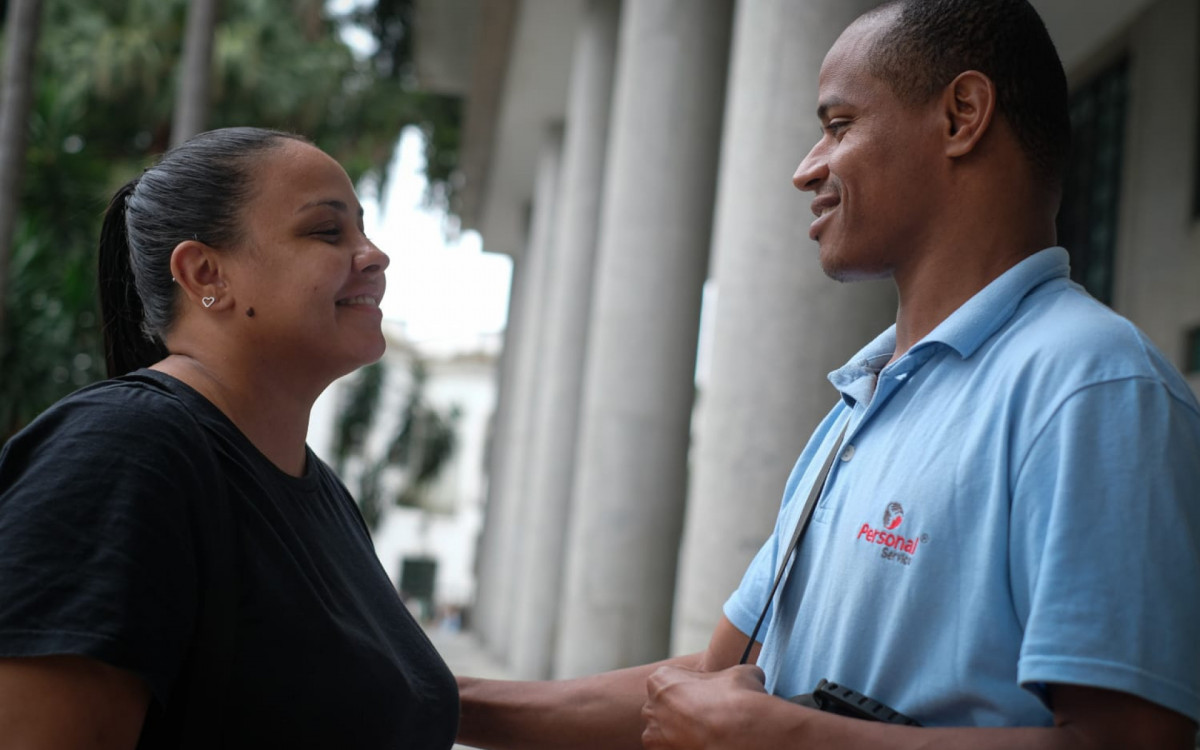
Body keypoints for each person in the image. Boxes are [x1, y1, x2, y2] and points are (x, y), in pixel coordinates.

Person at [454, 0, 1200, 748]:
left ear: (961, 116)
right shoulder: (864, 400)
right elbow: (710, 683)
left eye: (839, 125)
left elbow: (1134, 743)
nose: (805, 169)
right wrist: (439, 701)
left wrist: (787, 739)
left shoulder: (1095, 389)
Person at [0, 127, 459, 748]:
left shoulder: (319, 492)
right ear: (205, 273)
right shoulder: (123, 450)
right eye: (328, 231)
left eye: (363, 230)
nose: (375, 255)